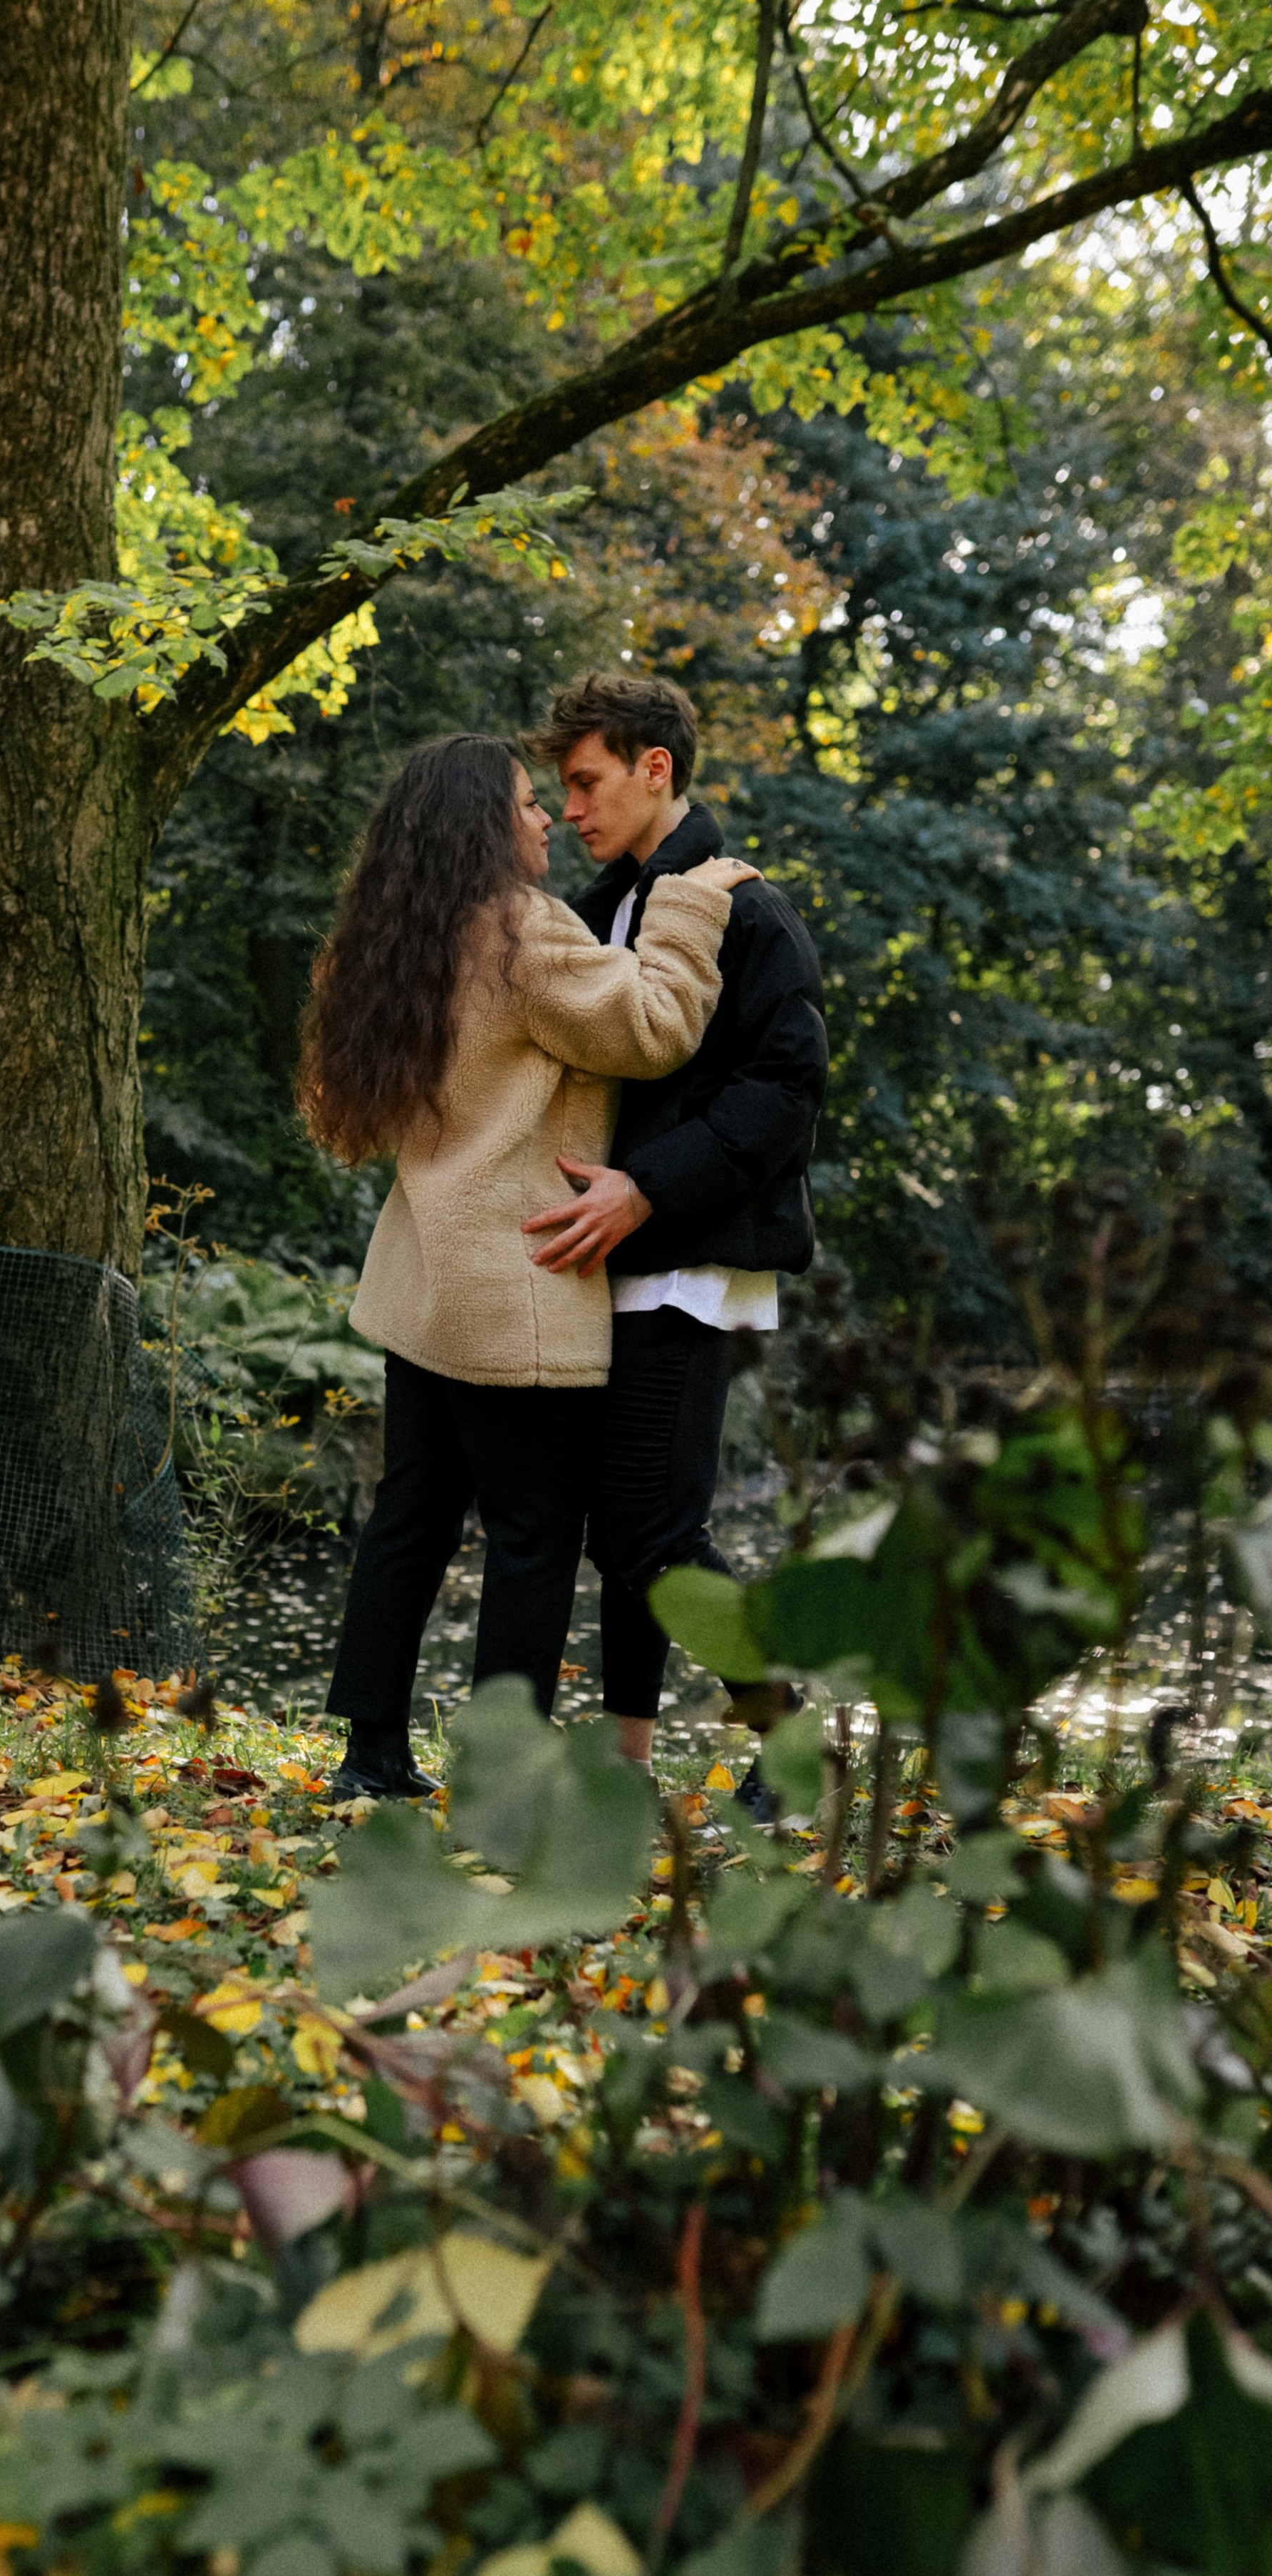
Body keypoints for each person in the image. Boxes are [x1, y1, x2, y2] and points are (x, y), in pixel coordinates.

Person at [296, 730, 760, 1803]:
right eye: (525, 802)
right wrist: (690, 906)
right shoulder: (522, 931)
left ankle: (371, 1752)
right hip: (515, 1288)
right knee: (533, 1536)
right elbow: (653, 1027)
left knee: (410, 1518)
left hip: (424, 1282)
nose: (548, 815)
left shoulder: (400, 940)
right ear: (481, 827)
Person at [522, 674, 828, 1800]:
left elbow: (787, 1090)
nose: (574, 809)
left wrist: (647, 1191)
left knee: (657, 1527)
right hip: (609, 1261)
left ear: (657, 769)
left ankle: (791, 1738)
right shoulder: (601, 908)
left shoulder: (749, 910)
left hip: (692, 1261)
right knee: (625, 1530)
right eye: (562, 790)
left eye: (588, 782)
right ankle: (626, 1765)